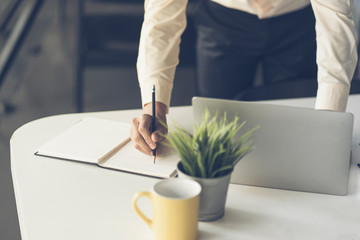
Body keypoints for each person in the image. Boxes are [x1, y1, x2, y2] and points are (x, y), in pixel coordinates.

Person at [130, 0, 358, 155]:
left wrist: (329, 119)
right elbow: (161, 23)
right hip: (223, 20)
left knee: (294, 131)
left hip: (298, 21)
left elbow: (335, 18)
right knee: (215, 131)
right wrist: (155, 108)